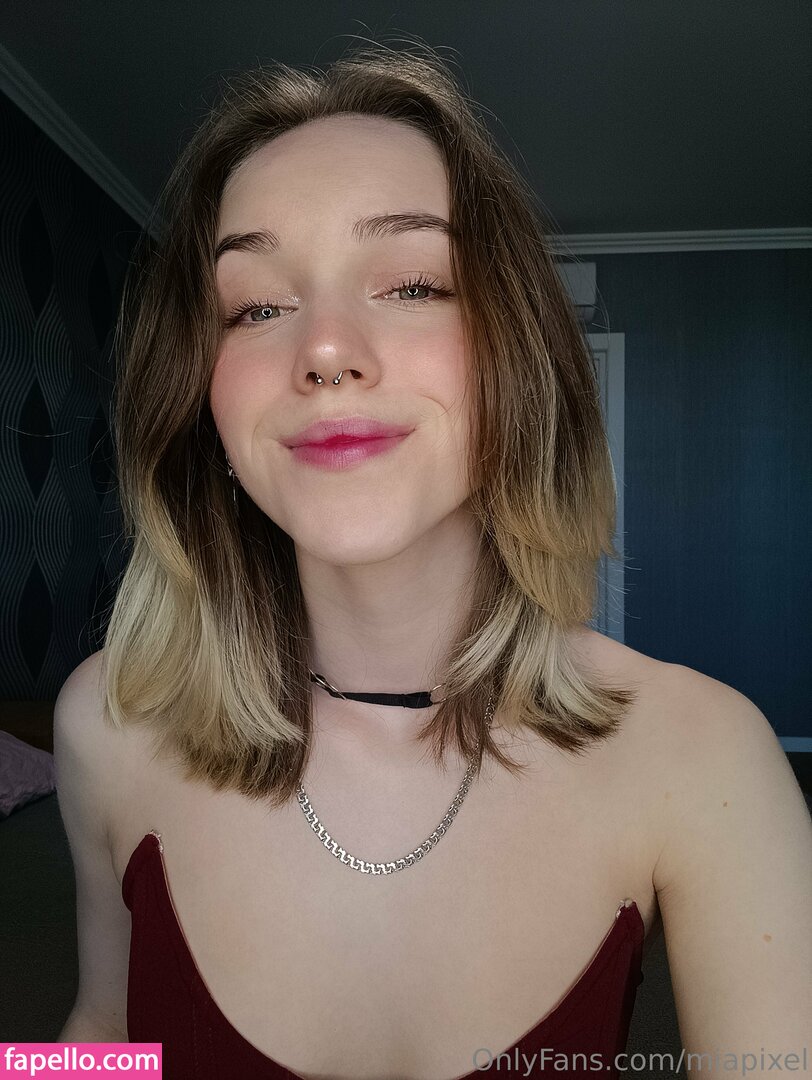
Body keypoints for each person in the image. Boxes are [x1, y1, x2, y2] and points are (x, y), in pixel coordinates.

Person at [53, 42, 810, 1080]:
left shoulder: (705, 756)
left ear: (515, 360)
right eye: (256, 307)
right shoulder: (108, 722)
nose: (324, 349)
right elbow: (100, 1035)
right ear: (204, 398)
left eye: (412, 284)